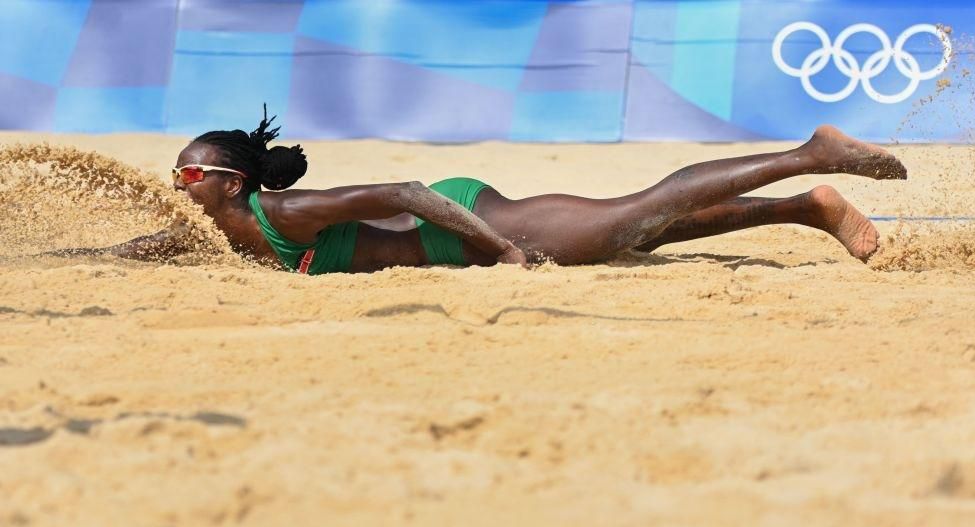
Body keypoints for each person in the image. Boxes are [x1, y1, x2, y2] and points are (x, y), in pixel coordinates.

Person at [61, 111, 906, 274]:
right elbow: (170, 244)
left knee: (636, 215)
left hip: (468, 225)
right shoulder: (224, 229)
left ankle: (808, 155)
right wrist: (93, 251)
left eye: (186, 176)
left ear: (229, 182)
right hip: (456, 237)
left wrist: (499, 244)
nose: (177, 187)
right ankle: (809, 208)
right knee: (638, 236)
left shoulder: (282, 211)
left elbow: (403, 185)